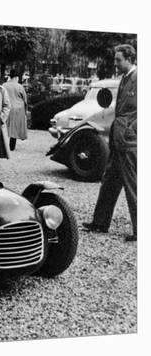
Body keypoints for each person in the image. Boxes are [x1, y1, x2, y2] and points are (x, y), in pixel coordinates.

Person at [82, 44, 137, 242]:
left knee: (133, 186)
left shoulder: (139, 78)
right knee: (109, 183)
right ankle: (100, 222)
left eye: (118, 60)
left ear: (129, 59)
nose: (115, 63)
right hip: (118, 139)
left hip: (129, 141)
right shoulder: (125, 78)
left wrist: (133, 129)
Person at [2, 69, 28, 151]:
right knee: (14, 128)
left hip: (6, 108)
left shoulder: (4, 85)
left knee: (5, 127)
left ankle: (3, 145)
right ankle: (12, 147)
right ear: (16, 77)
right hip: (18, 109)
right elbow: (25, 99)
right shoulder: (20, 87)